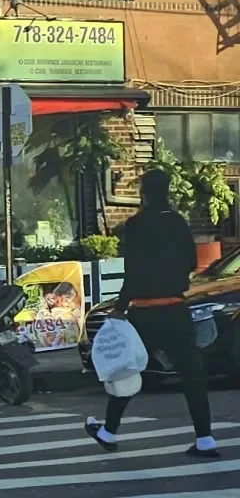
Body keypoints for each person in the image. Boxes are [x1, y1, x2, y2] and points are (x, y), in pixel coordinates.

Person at [87, 164, 216, 457]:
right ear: (167, 191)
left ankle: (109, 431)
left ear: (143, 193)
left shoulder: (136, 225)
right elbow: (192, 262)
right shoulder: (179, 222)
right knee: (192, 374)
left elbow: (133, 272)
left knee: (127, 368)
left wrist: (120, 307)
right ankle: (205, 438)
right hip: (175, 308)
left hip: (144, 312)